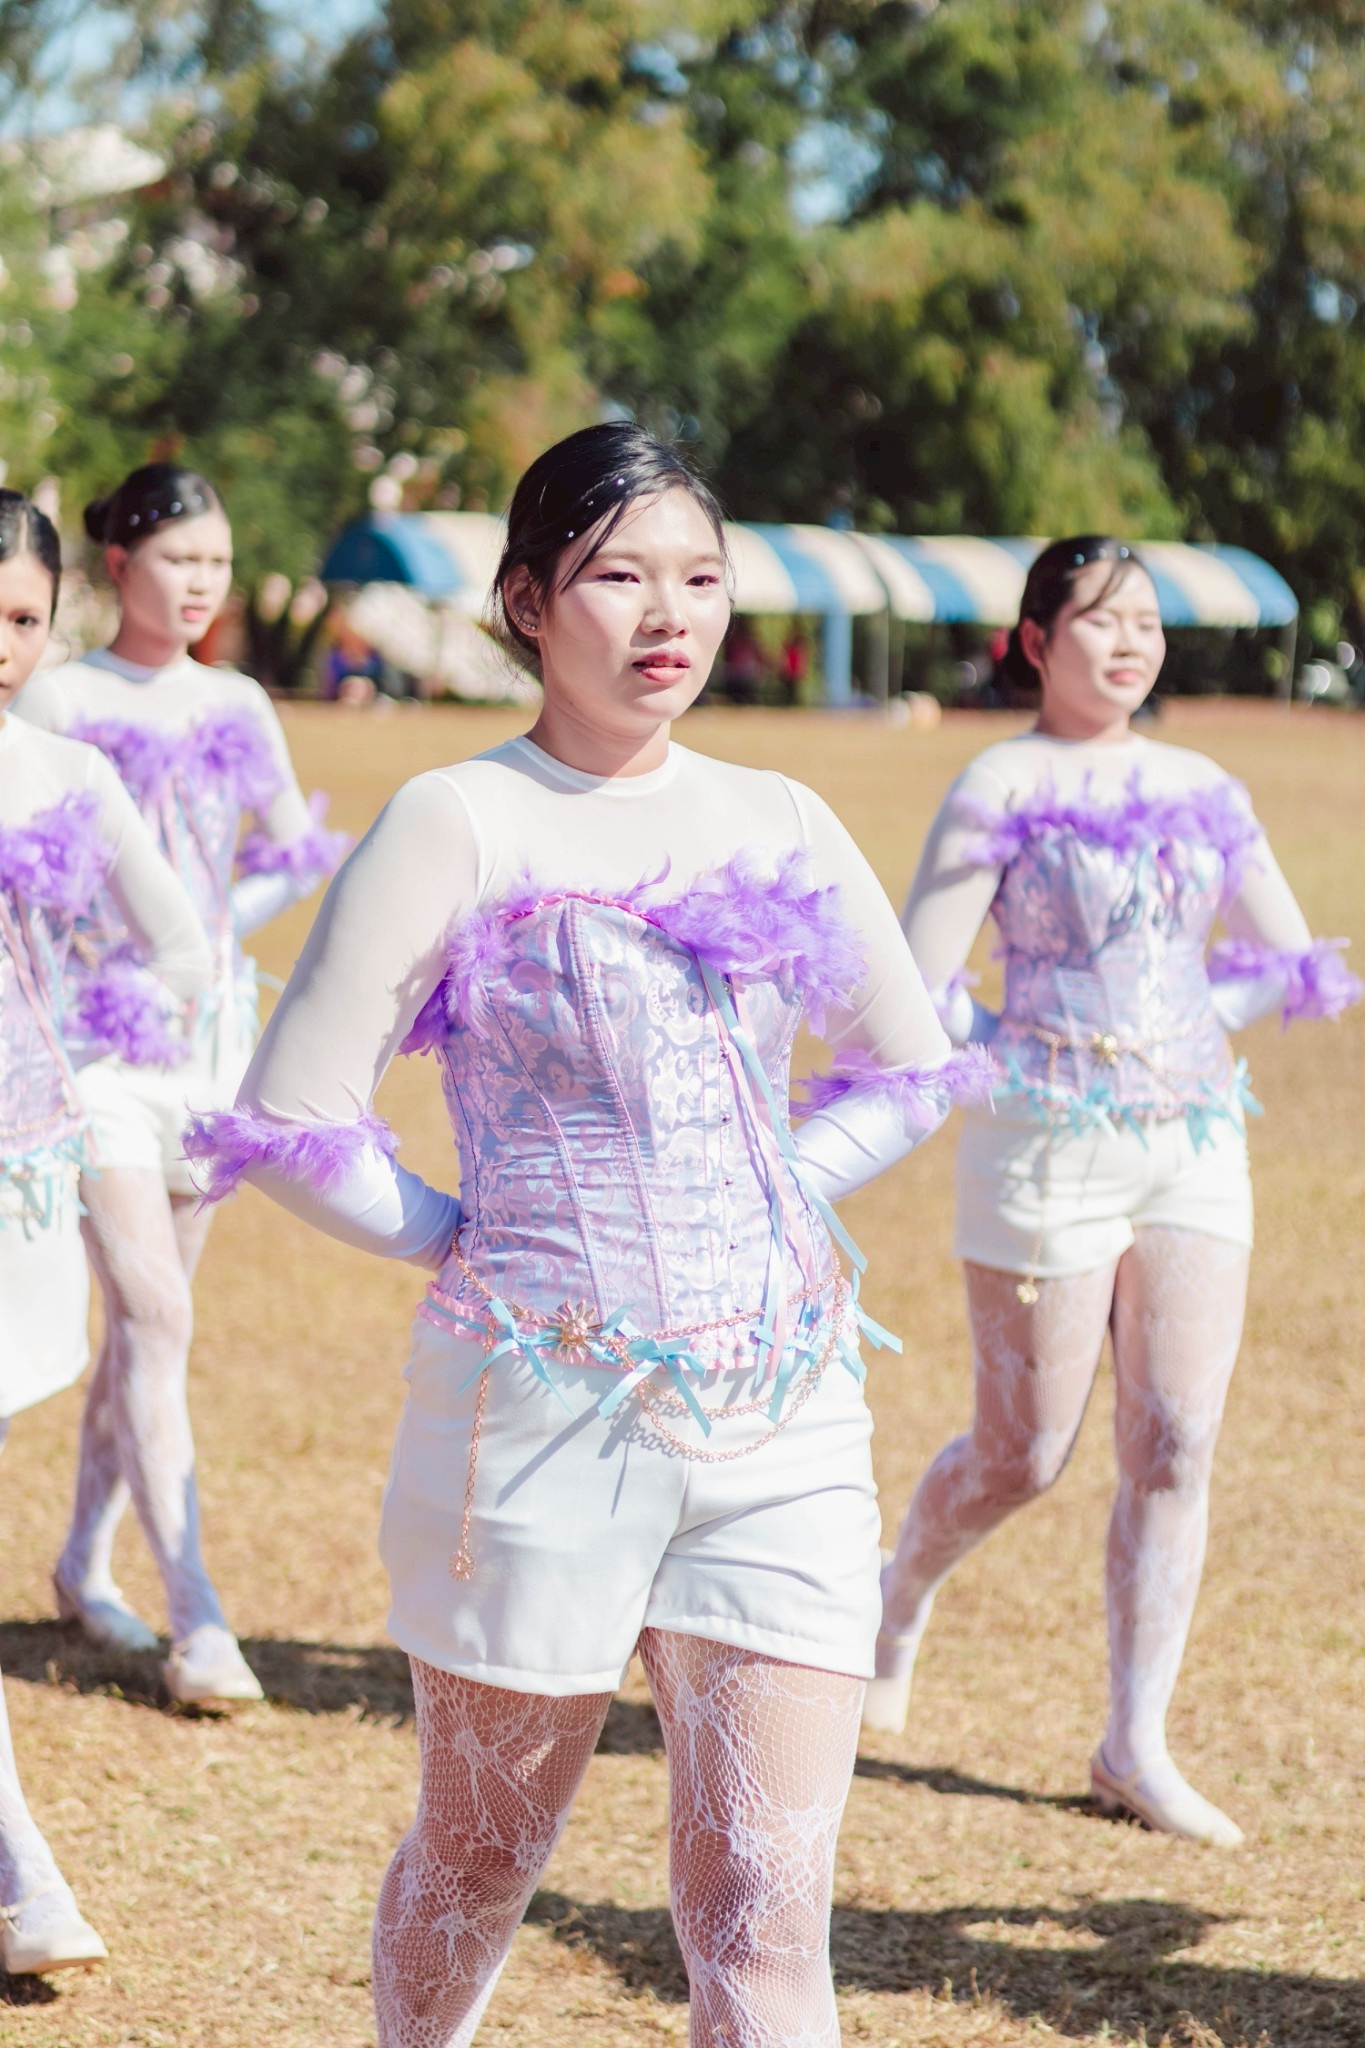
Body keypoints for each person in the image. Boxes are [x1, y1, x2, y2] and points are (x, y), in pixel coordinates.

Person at [184, 422, 992, 2046]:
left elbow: (912, 1071)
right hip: (536, 1422)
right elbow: (291, 1117)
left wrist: (778, 1180)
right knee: (483, 1856)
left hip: (785, 1418)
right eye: (620, 574)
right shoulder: (458, 818)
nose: (667, 613)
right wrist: (460, 1236)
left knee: (764, 1903)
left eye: (700, 575)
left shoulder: (778, 811)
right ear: (528, 601)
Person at [867, 536, 1361, 1847]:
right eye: (1100, 617)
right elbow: (918, 978)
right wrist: (1021, 1046)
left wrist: (1186, 1025)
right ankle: (894, 1598)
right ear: (1036, 641)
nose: (1131, 640)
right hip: (1040, 1147)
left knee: (1177, 1439)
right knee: (1022, 1454)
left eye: (1146, 618)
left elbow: (1291, 957)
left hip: (1194, 1144)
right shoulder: (1001, 781)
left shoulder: (1203, 784)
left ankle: (1133, 1743)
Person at [16, 464, 349, 1705]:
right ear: (118, 565)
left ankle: (83, 1558)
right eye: (179, 559)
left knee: (150, 1327)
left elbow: (293, 849)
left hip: (208, 1049)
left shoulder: (240, 700)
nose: (202, 582)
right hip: (92, 1054)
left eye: (217, 561)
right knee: (154, 1314)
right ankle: (199, 1614)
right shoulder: (59, 694)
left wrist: (215, 930)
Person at [0, 490, 211, 1973]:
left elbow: (180, 942)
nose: (0, 644)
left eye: (22, 617)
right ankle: (27, 1872)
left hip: (18, 1175)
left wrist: (78, 1045)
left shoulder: (67, 775)